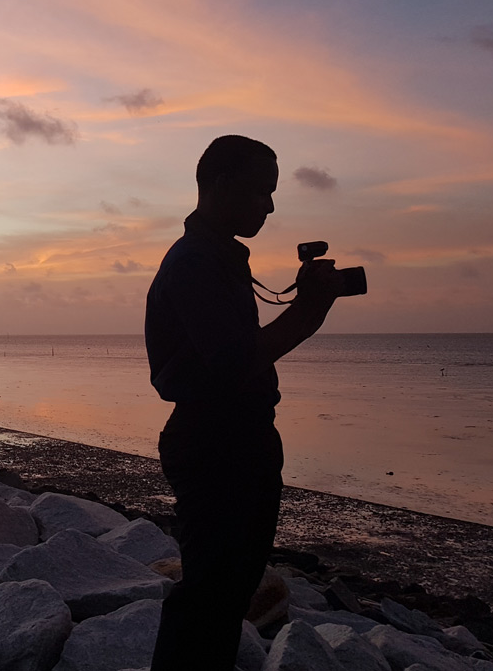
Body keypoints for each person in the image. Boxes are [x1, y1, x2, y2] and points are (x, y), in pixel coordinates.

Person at [145, 135, 344, 670]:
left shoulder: (215, 257)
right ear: (220, 185)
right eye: (262, 192)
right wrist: (307, 313)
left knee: (226, 594)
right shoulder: (194, 263)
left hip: (234, 439)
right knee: (211, 597)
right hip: (217, 444)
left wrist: (304, 306)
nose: (271, 206)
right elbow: (233, 362)